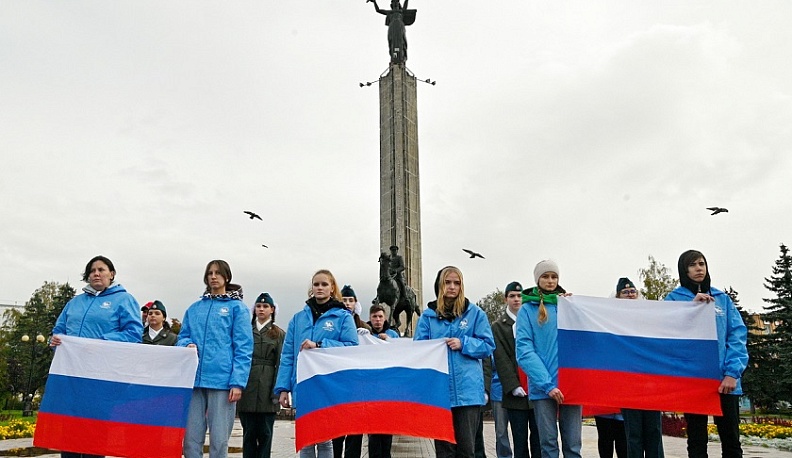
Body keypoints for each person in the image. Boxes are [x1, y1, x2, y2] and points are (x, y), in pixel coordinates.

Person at [50, 255, 143, 458]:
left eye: (101, 269)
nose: (96, 273)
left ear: (112, 274)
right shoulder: (75, 303)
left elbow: (134, 333)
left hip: (102, 376)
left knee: (95, 432)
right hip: (72, 375)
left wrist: (102, 341)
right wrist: (55, 341)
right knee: (71, 431)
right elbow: (59, 330)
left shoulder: (124, 300)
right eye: (92, 271)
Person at [664, 250, 748, 458]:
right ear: (684, 270)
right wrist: (690, 308)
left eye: (702, 263)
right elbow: (665, 331)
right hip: (693, 381)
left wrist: (732, 373)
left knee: (731, 441)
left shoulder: (722, 299)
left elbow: (737, 336)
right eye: (692, 265)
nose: (698, 268)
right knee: (697, 442)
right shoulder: (673, 299)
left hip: (725, 382)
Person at [275, 269, 359, 458]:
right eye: (316, 284)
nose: (319, 287)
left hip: (327, 386)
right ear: (311, 288)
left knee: (324, 440)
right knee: (306, 441)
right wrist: (283, 388)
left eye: (324, 284)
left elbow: (352, 347)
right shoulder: (298, 319)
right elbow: (288, 355)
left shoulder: (343, 317)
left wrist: (320, 345)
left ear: (332, 288)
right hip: (303, 385)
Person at [414, 266, 495, 458]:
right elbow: (419, 349)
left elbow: (488, 346)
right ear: (440, 285)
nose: (452, 287)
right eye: (447, 282)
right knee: (444, 451)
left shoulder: (475, 314)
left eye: (456, 283)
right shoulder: (427, 317)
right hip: (440, 392)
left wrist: (464, 343)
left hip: (468, 392)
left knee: (467, 450)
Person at [177, 260, 254, 458]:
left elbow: (243, 347)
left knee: (219, 442)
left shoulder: (237, 308)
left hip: (222, 382)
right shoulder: (194, 309)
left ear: (226, 277)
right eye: (210, 273)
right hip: (194, 381)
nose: (213, 276)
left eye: (218, 273)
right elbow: (182, 336)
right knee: (191, 442)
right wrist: (186, 344)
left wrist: (238, 382)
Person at [516, 260, 582, 458]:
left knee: (572, 445)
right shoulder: (527, 310)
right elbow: (524, 350)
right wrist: (547, 384)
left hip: (570, 384)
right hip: (543, 388)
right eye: (545, 276)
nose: (550, 281)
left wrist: (575, 308)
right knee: (548, 445)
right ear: (537, 280)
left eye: (554, 277)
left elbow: (582, 340)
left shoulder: (568, 305)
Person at [615, 278, 664, 458]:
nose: (630, 295)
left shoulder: (649, 316)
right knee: (633, 435)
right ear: (618, 297)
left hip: (651, 383)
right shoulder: (611, 320)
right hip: (628, 385)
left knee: (654, 432)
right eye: (625, 292)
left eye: (633, 291)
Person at [492, 281, 540, 458]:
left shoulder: (534, 321)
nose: (516, 299)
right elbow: (501, 359)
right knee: (520, 442)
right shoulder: (498, 326)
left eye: (519, 296)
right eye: (512, 296)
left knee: (539, 440)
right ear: (506, 299)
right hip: (515, 394)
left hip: (536, 390)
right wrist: (513, 385)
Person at [238, 292, 285, 458]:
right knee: (249, 433)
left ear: (272, 309)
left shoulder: (278, 334)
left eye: (265, 306)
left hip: (267, 386)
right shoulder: (245, 331)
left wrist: (277, 391)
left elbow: (281, 363)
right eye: (258, 306)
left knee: (265, 433)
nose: (261, 309)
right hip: (248, 385)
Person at [333, 285, 368, 458]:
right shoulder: (333, 323)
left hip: (357, 386)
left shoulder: (364, 327)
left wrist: (373, 339)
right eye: (344, 300)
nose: (347, 303)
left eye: (350, 300)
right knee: (337, 432)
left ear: (356, 304)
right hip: (339, 384)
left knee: (355, 433)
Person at [366, 303, 399, 458]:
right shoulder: (365, 335)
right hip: (371, 392)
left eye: (380, 317)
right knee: (373, 436)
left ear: (385, 317)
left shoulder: (393, 334)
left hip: (388, 392)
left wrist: (391, 341)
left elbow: (402, 351)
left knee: (386, 436)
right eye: (374, 317)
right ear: (370, 318)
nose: (378, 320)